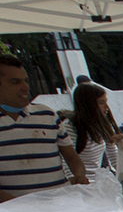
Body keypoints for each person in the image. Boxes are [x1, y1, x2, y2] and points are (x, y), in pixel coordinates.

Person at [0, 54, 87, 200]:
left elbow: (72, 157)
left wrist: (79, 175)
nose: (25, 87)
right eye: (15, 82)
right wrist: (21, 206)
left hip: (60, 204)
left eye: (26, 81)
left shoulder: (47, 114)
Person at [61, 81, 119, 183]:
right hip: (81, 183)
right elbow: (68, 158)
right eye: (101, 103)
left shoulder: (104, 124)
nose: (106, 107)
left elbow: (114, 156)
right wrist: (75, 181)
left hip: (98, 181)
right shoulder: (71, 126)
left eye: (106, 101)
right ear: (88, 104)